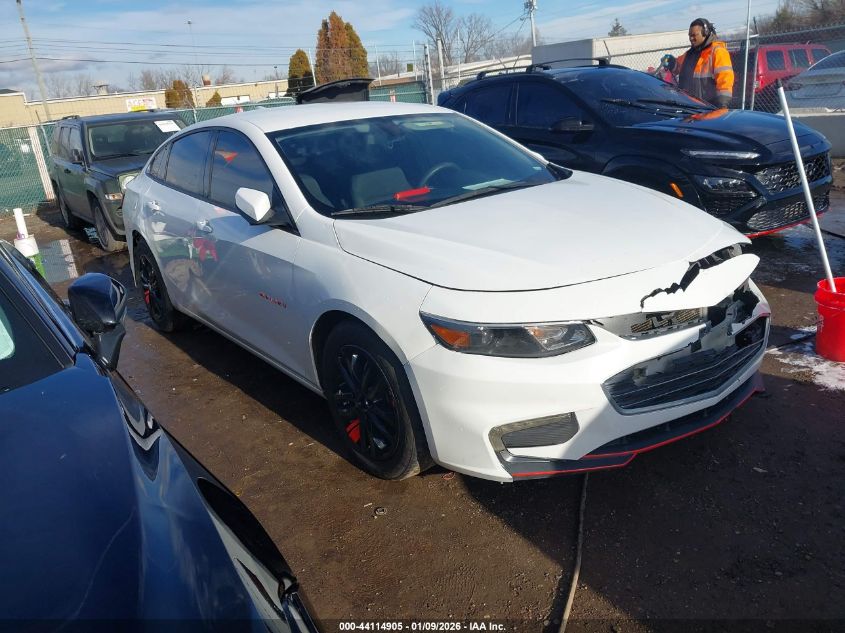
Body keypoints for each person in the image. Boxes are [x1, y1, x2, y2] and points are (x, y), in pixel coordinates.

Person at [673, 18, 734, 108]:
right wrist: (671, 62)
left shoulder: (717, 52)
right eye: (690, 35)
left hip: (710, 108)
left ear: (705, 33)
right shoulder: (689, 54)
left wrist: (722, 104)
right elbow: (677, 67)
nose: (691, 38)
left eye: (694, 35)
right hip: (689, 107)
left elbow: (725, 80)